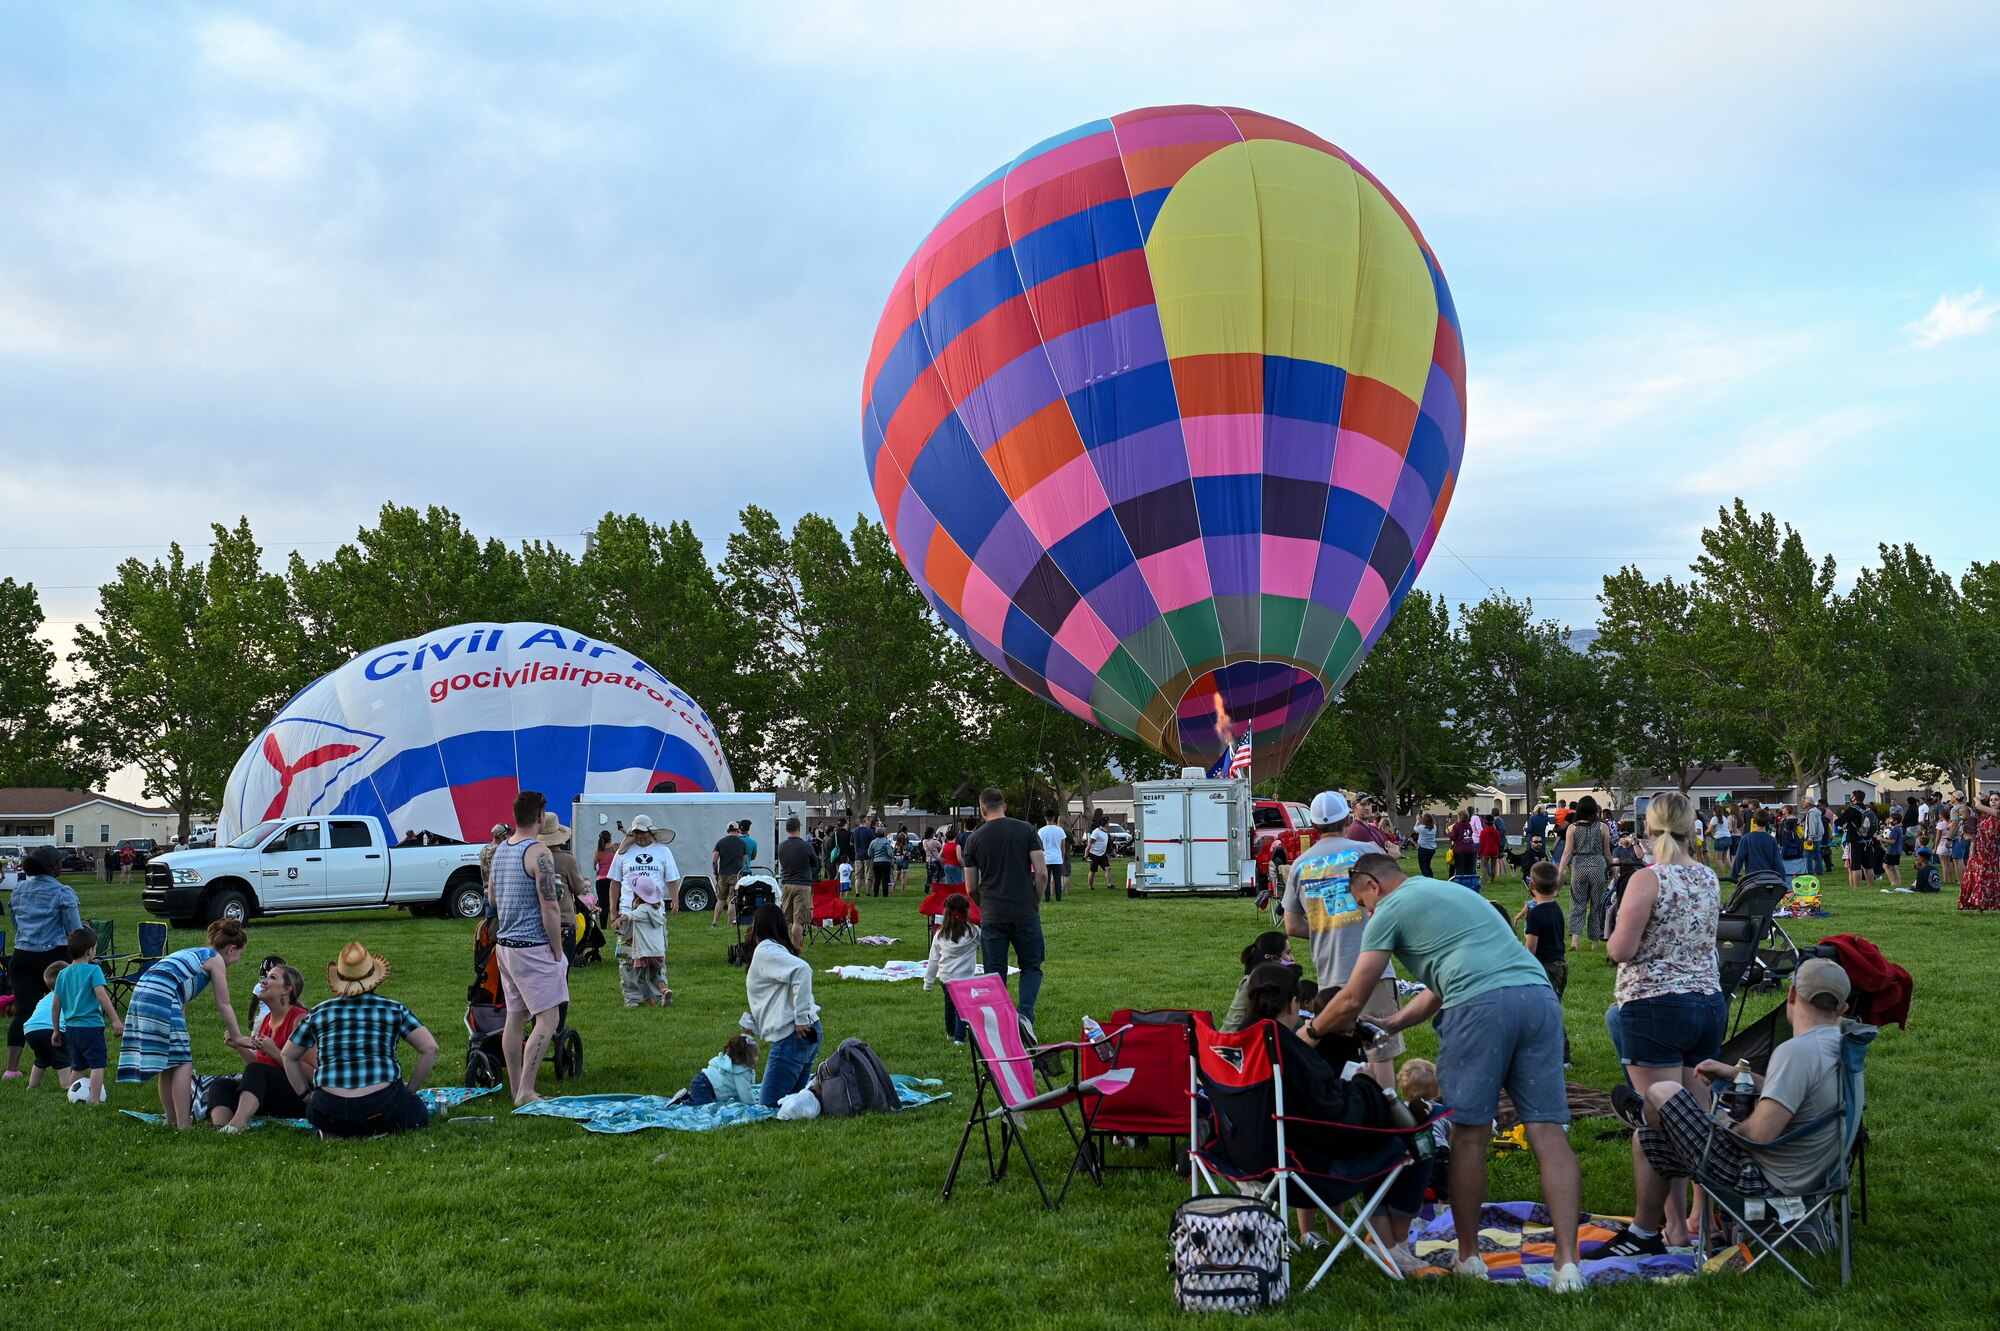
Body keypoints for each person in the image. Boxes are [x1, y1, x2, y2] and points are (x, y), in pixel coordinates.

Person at [1305, 853, 1584, 1292]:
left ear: (1372, 886)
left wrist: (1309, 1033)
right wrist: (1394, 1023)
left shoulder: (1388, 910)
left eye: (1363, 903)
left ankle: (1469, 1256)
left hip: (1478, 1008)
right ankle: (1568, 1265)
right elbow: (1440, 984)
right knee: (1548, 1133)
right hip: (1538, 998)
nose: (1366, 914)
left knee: (1468, 1133)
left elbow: (1352, 996)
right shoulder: (1449, 893)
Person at [1610, 959, 1855, 1254]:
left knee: (1664, 1091)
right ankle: (1642, 1234)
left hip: (1764, 1183)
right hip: (1811, 1176)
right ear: (1843, 1010)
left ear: (1791, 996)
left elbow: (1757, 1136)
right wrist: (1742, 1076)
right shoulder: (1841, 1045)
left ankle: (1646, 1112)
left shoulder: (1796, 1052)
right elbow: (1807, 1093)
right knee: (1648, 1138)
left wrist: (1722, 1121)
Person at [1238, 963, 1432, 1274]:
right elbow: (1335, 1112)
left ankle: (1384, 1242)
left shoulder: (1240, 1044)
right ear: (1292, 1003)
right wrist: (1367, 1084)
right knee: (1417, 1141)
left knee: (1394, 1137)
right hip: (1311, 1172)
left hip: (1249, 1165)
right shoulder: (1287, 1050)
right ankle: (1392, 1244)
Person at [1600, 791, 1725, 1254]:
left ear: (1648, 831)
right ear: (1692, 829)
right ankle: (1702, 1217)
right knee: (1699, 1118)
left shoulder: (1646, 881)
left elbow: (1621, 950)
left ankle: (1670, 1225)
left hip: (1654, 1006)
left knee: (1661, 1120)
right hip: (1707, 1001)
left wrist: (1611, 924)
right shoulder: (1708, 877)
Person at [1282, 791, 1400, 1087]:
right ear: (1348, 819)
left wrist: (1326, 926)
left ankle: (1345, 1113)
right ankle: (1384, 1119)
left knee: (1336, 1052)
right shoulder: (1366, 851)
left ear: (1313, 826)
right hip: (1373, 969)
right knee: (1380, 1051)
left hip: (1329, 976)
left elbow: (1292, 925)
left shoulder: (1299, 865)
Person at [282, 942, 438, 1138]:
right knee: (417, 1113)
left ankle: (332, 1130)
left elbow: (288, 1054)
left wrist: (306, 1095)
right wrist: (411, 1090)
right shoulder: (393, 1010)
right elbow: (430, 1048)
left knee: (320, 1112)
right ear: (374, 979)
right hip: (381, 1105)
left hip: (328, 1109)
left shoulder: (320, 1012)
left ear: (340, 978)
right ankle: (378, 1129)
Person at [117, 920, 252, 1127]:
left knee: (167, 1063)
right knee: (182, 1062)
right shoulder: (215, 959)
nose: (237, 960)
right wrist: (237, 1037)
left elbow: (182, 999)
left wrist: (182, 1030)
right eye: (240, 955)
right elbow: (224, 1003)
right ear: (232, 948)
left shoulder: (193, 953)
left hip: (142, 992)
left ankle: (172, 1121)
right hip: (162, 995)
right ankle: (183, 1125)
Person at [489, 791, 570, 1106]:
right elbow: (550, 907)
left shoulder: (501, 851)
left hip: (505, 947)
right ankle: (525, 1092)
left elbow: (493, 899)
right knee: (547, 1020)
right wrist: (557, 951)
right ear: (541, 817)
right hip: (532, 946)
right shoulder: (539, 854)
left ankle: (516, 1089)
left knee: (515, 1018)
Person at [963, 788, 1047, 1028]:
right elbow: (1041, 872)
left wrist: (984, 905)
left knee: (995, 972)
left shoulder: (974, 839)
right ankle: (1025, 1014)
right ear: (1005, 806)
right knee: (1030, 965)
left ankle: (1001, 1022)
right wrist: (1035, 900)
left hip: (993, 912)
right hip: (1025, 910)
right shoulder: (1027, 829)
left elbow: (970, 887)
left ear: (982, 810)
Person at [4, 845, 82, 1079]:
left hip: (22, 956)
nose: (61, 865)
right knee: (66, 1010)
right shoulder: (63, 892)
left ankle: (12, 1069)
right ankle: (70, 1064)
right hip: (53, 957)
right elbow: (74, 931)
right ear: (53, 866)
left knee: (24, 1012)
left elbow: (16, 923)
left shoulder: (18, 889)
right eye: (59, 862)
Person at [206, 963, 313, 1131]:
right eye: (266, 976)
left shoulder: (300, 1021)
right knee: (220, 1085)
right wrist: (240, 1046)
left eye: (272, 977)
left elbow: (312, 1074)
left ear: (286, 990)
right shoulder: (266, 1020)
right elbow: (261, 1066)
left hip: (300, 1097)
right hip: (272, 1094)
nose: (263, 981)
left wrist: (277, 1053)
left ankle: (238, 1124)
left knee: (256, 1070)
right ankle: (223, 1129)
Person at [744, 905, 821, 1107]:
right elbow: (777, 995)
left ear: (758, 927)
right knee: (793, 1103)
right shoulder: (777, 950)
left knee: (769, 1107)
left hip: (793, 1037)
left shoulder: (766, 951)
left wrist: (801, 1018)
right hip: (807, 1033)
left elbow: (803, 970)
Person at [52, 927, 125, 1105]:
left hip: (71, 1029)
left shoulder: (63, 973)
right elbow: (101, 995)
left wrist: (55, 1030)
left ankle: (71, 1095)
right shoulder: (94, 971)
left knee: (77, 1065)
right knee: (97, 1064)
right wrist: (115, 1019)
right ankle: (94, 1100)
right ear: (90, 950)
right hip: (91, 1027)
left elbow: (56, 1005)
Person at [923, 893, 981, 1043]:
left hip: (946, 977)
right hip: (965, 977)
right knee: (962, 1007)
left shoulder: (940, 934)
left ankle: (950, 1032)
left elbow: (933, 959)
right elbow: (987, 944)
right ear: (966, 911)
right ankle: (959, 1038)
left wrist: (928, 983)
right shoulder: (974, 932)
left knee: (949, 1004)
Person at [1557, 794, 1611, 951]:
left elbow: (1567, 853)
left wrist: (1560, 871)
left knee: (1577, 902)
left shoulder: (1572, 828)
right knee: (1597, 904)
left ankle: (1575, 940)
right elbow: (1607, 853)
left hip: (1579, 865)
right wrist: (1613, 869)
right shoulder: (1603, 827)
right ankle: (1594, 943)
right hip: (1598, 866)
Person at [614, 869, 670, 1007]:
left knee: (640, 979)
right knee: (655, 975)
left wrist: (619, 919)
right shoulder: (656, 910)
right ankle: (664, 990)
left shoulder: (642, 909)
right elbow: (646, 932)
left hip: (644, 953)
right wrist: (632, 939)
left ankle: (651, 1005)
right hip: (658, 951)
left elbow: (630, 916)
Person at [1222, 930, 1294, 1032]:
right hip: (1236, 1043)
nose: (1292, 958)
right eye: (1288, 953)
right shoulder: (1261, 984)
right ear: (1274, 958)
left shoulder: (1258, 977)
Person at [20, 961, 71, 1091]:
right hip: (51, 1029)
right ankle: (67, 1086)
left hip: (31, 1031)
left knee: (41, 1058)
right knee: (62, 1058)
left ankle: (32, 1086)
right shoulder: (68, 996)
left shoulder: (44, 998)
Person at [773, 816, 818, 948]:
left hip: (786, 884)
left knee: (785, 919)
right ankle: (795, 948)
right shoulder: (806, 846)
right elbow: (815, 863)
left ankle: (782, 946)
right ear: (799, 828)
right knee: (798, 920)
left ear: (787, 829)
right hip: (802, 885)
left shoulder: (781, 846)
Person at [685, 1034, 759, 1106]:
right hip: (704, 1086)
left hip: (702, 1082)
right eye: (755, 1055)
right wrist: (752, 1104)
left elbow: (738, 1092)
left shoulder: (731, 1065)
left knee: (703, 1100)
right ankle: (681, 1104)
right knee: (702, 1106)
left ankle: (685, 1097)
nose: (756, 1058)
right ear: (746, 1057)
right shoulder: (741, 1072)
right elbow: (744, 1092)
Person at [1958, 791, 2000, 911]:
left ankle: (1984, 905)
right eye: (1991, 799)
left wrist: (1978, 799)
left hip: (1989, 852)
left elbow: (1978, 805)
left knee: (1985, 879)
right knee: (1975, 877)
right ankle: (1975, 904)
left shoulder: (1998, 814)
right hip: (1978, 850)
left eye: (1996, 799)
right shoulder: (1985, 816)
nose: (1993, 802)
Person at [712, 822, 749, 926]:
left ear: (727, 831)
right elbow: (744, 860)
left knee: (720, 899)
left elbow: (714, 860)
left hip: (723, 874)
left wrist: (716, 872)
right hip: (736, 875)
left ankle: (715, 922)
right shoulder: (742, 843)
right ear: (737, 831)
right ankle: (729, 924)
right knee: (732, 900)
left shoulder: (720, 842)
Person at [1732, 809, 1785, 880]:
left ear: (1753, 822)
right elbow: (1778, 862)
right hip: (1769, 879)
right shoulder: (1772, 840)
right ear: (1768, 823)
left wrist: (1733, 876)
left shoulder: (1746, 839)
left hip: (1752, 879)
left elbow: (1739, 858)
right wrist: (1782, 878)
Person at [1038, 811, 1069, 904]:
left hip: (1046, 858)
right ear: (1054, 818)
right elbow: (1063, 846)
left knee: (1046, 879)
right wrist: (1062, 857)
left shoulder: (1041, 831)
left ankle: (1047, 898)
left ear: (1045, 818)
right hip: (1057, 858)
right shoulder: (1060, 830)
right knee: (1057, 879)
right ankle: (1058, 897)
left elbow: (1039, 846)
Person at [1446, 809, 1477, 878]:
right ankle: (1469, 884)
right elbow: (1471, 833)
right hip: (1470, 849)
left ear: (1459, 817)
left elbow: (1453, 837)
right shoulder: (1468, 825)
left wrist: (1448, 832)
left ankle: (1461, 884)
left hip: (1460, 850)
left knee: (1460, 870)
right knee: (1469, 869)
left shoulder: (1457, 826)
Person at [1877, 814, 1904, 889]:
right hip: (1898, 851)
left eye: (1891, 819)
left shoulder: (1895, 829)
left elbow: (1892, 841)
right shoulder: (1900, 828)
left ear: (1895, 821)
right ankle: (1898, 882)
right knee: (1895, 867)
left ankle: (1893, 882)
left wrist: (1881, 839)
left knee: (1885, 866)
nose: (1889, 820)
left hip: (1892, 851)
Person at [868, 825, 895, 897]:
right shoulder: (886, 842)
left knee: (877, 879)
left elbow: (869, 853)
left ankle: (875, 895)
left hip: (876, 862)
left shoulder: (873, 842)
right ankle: (885, 895)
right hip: (885, 862)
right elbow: (890, 854)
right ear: (883, 833)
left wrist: (875, 857)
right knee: (885, 879)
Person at [1084, 817, 1111, 889]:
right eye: (1108, 823)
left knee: (1107, 868)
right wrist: (1086, 855)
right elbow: (1090, 843)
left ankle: (1109, 885)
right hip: (1094, 854)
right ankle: (1090, 886)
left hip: (1102, 854)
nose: (1109, 825)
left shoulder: (1105, 832)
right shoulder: (1096, 832)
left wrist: (1106, 853)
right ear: (1105, 824)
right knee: (1092, 871)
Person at [1478, 810, 1504, 884]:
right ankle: (1492, 880)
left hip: (1486, 850)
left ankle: (1487, 880)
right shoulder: (1496, 832)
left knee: (1484, 866)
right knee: (1493, 866)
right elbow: (1499, 842)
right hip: (1494, 850)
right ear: (1493, 822)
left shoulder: (1483, 832)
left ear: (1485, 822)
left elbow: (1481, 843)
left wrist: (1479, 853)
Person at [1413, 814, 1438, 878]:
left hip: (1423, 848)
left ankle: (1428, 880)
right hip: (1432, 849)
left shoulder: (1422, 828)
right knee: (1428, 865)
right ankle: (1431, 879)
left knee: (1423, 866)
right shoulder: (1434, 827)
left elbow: (1415, 828)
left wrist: (1418, 820)